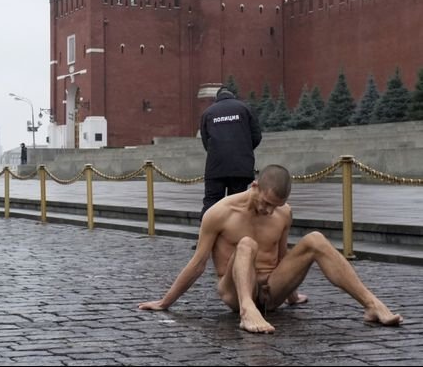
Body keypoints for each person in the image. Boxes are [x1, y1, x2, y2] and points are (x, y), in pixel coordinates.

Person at [138, 165, 403, 334]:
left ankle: (372, 305)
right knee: (247, 243)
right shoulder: (219, 213)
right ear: (255, 186)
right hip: (235, 292)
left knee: (315, 239)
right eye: (265, 203)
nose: (268, 210)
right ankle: (247, 312)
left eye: (275, 206)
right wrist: (164, 302)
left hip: (271, 292)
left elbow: (281, 258)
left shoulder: (283, 213)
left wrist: (292, 296)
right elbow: (198, 264)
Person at [199, 87, 261, 217]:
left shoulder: (208, 112)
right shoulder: (245, 108)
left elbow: (205, 140)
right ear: (232, 95)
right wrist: (243, 149)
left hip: (216, 166)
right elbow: (256, 136)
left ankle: (208, 228)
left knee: (212, 203)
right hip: (240, 166)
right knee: (237, 204)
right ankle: (235, 229)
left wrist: (216, 152)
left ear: (217, 98)